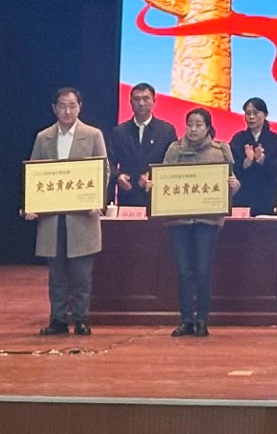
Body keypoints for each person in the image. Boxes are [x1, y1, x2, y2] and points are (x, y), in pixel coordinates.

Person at [26, 87, 108, 336]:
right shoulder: (43, 137)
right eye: (62, 106)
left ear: (80, 107)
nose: (67, 111)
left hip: (82, 216)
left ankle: (81, 319)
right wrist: (32, 205)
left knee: (82, 274)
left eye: (72, 105)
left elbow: (103, 172)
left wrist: (97, 200)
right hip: (53, 218)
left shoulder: (92, 135)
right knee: (57, 275)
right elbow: (34, 174)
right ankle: (58, 320)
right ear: (54, 108)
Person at [160, 107, 239, 336]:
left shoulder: (220, 150)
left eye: (198, 125)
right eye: (190, 125)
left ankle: (202, 319)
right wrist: (154, 186)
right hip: (179, 221)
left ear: (208, 128)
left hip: (207, 221)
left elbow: (230, 184)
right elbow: (165, 180)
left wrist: (234, 186)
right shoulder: (174, 149)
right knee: (184, 271)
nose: (193, 129)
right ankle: (186, 320)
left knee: (203, 270)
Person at [108, 81, 176, 210]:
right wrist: (118, 176)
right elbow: (109, 161)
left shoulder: (166, 130)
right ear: (130, 102)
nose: (141, 103)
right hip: (127, 196)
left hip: (157, 196)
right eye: (137, 99)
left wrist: (155, 176)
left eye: (146, 99)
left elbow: (172, 162)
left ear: (154, 101)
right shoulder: (119, 131)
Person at [229, 96, 277, 215]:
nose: (251, 117)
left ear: (265, 114)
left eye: (255, 113)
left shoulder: (274, 140)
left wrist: (263, 160)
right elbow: (230, 168)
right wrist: (245, 163)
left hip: (267, 197)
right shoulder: (238, 138)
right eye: (248, 113)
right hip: (243, 197)